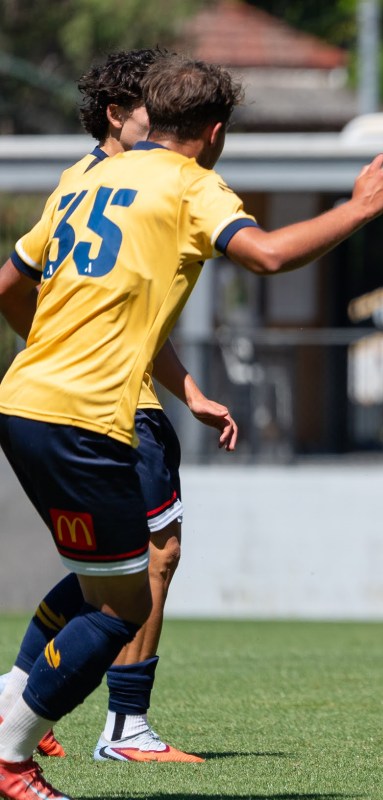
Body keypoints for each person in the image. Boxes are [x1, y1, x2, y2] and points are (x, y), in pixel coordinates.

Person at [0, 55, 383, 800]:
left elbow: (10, 283)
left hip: (22, 400)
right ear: (214, 133)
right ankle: (14, 753)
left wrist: (75, 357)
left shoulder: (85, 177)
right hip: (84, 417)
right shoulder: (192, 184)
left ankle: (17, 713)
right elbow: (270, 255)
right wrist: (360, 210)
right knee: (125, 604)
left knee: (106, 583)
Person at [0, 47, 238, 765]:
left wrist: (189, 388)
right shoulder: (148, 183)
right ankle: (122, 726)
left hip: (90, 399)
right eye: (150, 107)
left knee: (110, 568)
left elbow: (111, 310)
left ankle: (21, 698)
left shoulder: (84, 180)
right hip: (110, 409)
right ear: (119, 115)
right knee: (149, 563)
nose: (163, 119)